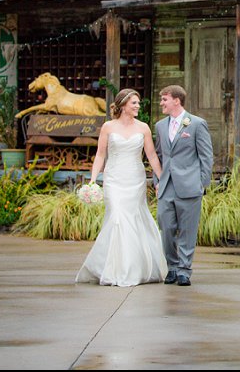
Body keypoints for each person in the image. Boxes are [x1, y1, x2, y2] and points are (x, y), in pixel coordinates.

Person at [76, 89, 167, 287]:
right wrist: (93, 180)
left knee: (134, 219)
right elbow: (100, 155)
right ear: (123, 105)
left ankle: (133, 268)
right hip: (114, 179)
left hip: (135, 179)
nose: (137, 106)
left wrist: (162, 179)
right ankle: (114, 269)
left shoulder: (143, 128)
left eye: (138, 103)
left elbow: (151, 156)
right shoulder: (108, 127)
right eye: (134, 103)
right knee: (117, 218)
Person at [154, 85, 213, 286]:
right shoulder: (160, 126)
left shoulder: (197, 124)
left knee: (188, 230)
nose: (161, 103)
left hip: (190, 185)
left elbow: (206, 156)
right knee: (167, 227)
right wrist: (157, 181)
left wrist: (202, 183)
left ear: (176, 101)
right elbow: (159, 156)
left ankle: (184, 270)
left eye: (164, 99)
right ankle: (171, 266)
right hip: (166, 185)